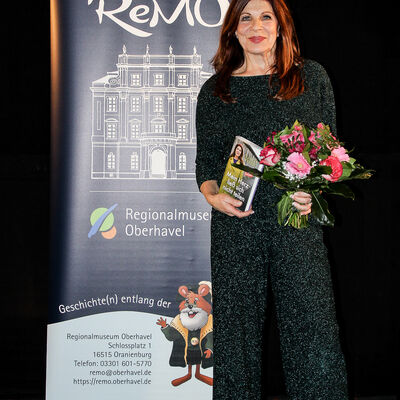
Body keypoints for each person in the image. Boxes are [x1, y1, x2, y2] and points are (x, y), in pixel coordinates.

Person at [195, 0, 349, 399]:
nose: (256, 25)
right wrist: (213, 196)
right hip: (237, 225)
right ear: (232, 29)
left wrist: (313, 195)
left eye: (266, 17)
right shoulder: (216, 90)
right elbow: (207, 165)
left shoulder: (310, 78)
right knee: (236, 342)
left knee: (314, 334)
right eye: (245, 17)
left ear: (282, 27)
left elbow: (331, 152)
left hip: (296, 224)